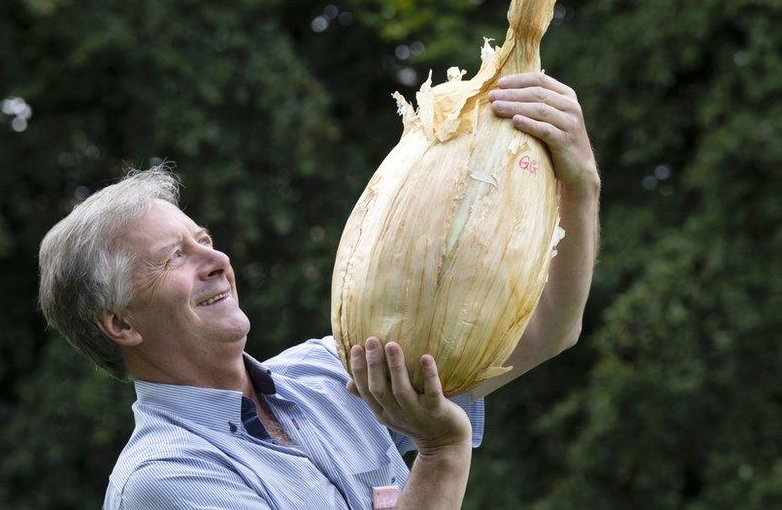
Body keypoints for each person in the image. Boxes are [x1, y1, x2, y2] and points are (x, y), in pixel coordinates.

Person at [37, 72, 599, 509]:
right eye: (172, 258)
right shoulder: (167, 481)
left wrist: (579, 183)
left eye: (204, 239)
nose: (216, 261)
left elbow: (549, 327)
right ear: (122, 324)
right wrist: (442, 453)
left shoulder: (337, 373)